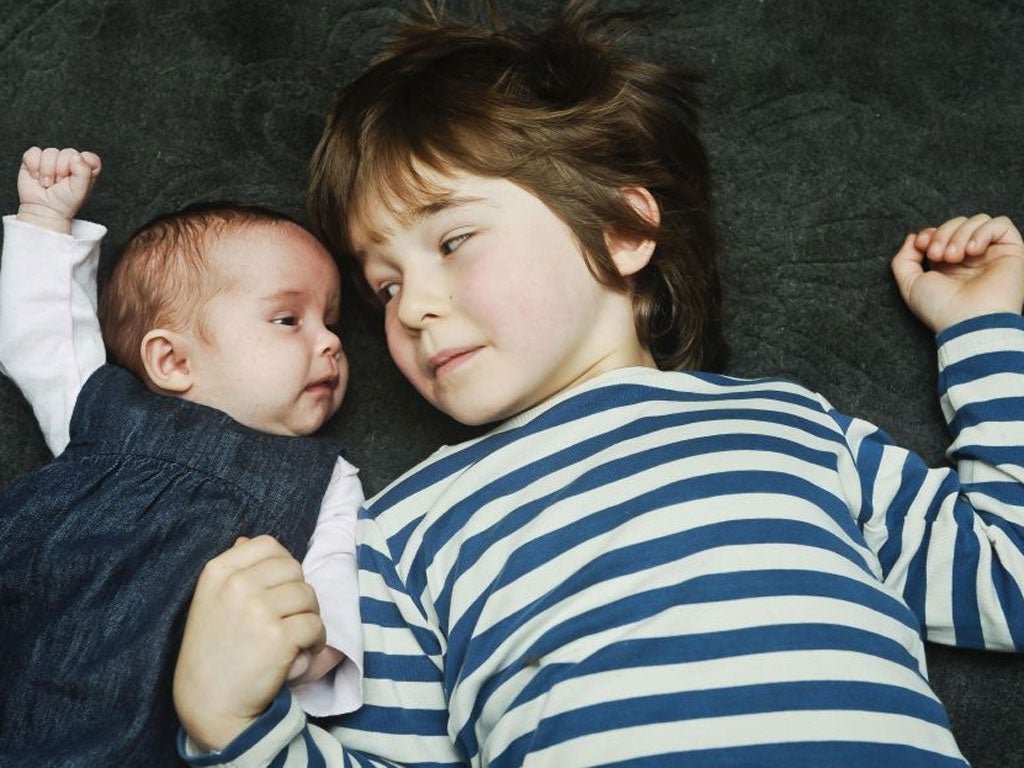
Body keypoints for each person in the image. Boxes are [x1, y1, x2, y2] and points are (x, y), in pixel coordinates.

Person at [9, 4, 1024, 767]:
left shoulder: (789, 428)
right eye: (385, 284)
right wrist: (234, 719)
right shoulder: (398, 529)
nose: (407, 308)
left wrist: (981, 332)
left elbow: (1007, 580)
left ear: (621, 232)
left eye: (453, 240)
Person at [0, 147, 365, 767]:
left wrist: (308, 650)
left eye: (330, 322)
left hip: (147, 719)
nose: (329, 341)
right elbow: (39, 335)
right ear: (172, 360)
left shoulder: (323, 477)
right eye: (287, 318)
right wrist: (43, 220)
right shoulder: (103, 411)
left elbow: (336, 578)